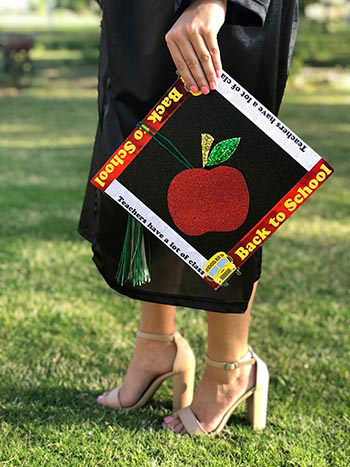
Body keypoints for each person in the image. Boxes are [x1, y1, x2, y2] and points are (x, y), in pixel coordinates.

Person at [78, 0, 299, 435]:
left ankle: (230, 365)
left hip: (224, 12)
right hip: (138, 14)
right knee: (146, 160)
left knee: (229, 148)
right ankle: (156, 345)